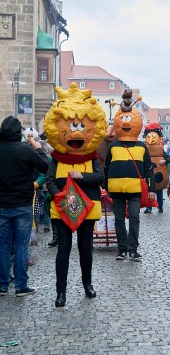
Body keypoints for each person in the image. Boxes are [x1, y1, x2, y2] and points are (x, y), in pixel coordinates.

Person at [45, 83, 107, 307]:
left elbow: (100, 177)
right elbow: (50, 180)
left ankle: (87, 284)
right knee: (63, 250)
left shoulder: (91, 157)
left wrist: (81, 176)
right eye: (72, 126)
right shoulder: (56, 157)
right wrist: (58, 196)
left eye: (81, 126)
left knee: (85, 249)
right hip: (62, 210)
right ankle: (60, 292)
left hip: (87, 209)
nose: (77, 132)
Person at [0, 116, 49, 296]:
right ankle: (21, 286)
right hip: (22, 204)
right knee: (21, 245)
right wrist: (39, 150)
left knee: (3, 246)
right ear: (18, 132)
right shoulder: (25, 150)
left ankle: (2, 285)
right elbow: (46, 168)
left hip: (2, 205)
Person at [105, 90, 156, 262]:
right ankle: (122, 249)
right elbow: (106, 168)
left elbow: (149, 169)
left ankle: (133, 249)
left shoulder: (142, 147)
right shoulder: (113, 146)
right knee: (119, 220)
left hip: (135, 190)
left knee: (134, 218)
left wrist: (152, 189)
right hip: (116, 190)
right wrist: (105, 187)